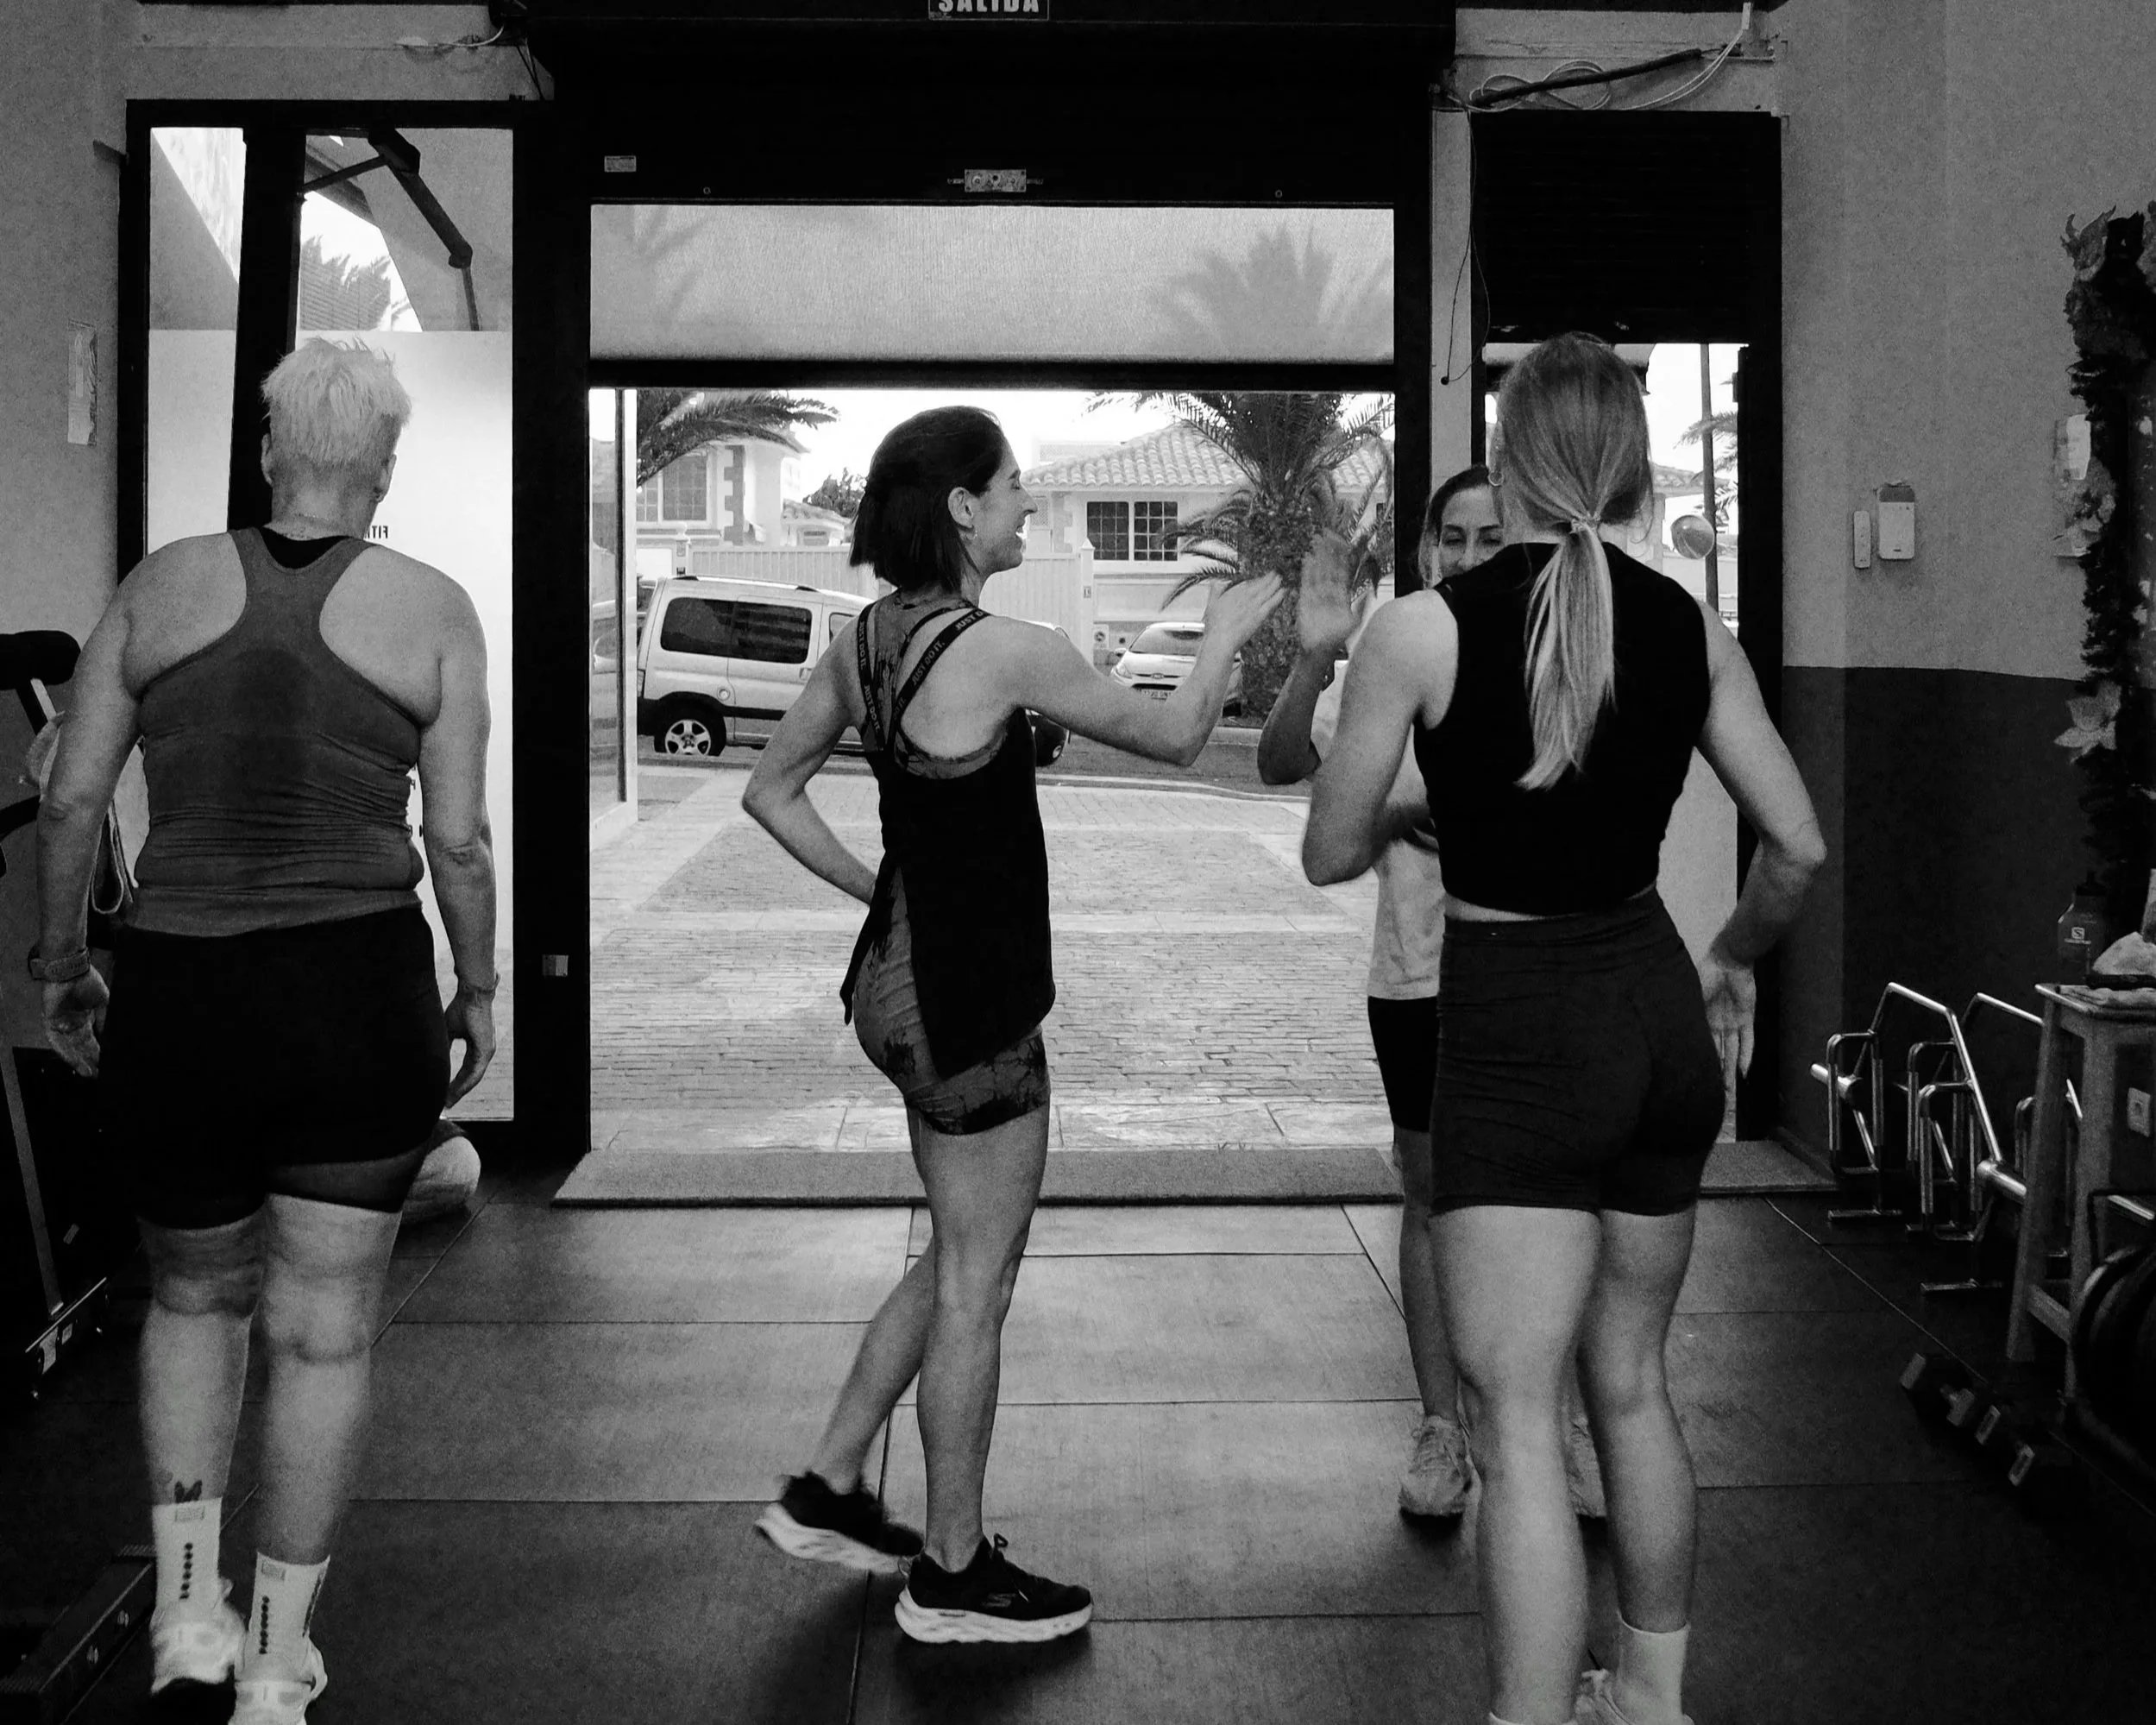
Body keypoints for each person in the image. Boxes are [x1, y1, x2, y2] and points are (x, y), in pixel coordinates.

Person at [1304, 334, 1823, 1725]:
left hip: (1518, 1031)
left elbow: (1328, 845)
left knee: (1516, 1424)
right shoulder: (1685, 623)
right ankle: (1647, 1698)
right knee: (1633, 1385)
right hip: (1655, 1012)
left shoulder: (1422, 626)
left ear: (1513, 451)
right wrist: (1724, 961)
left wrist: (1429, 799)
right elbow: (1795, 848)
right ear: (1626, 462)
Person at [744, 406, 1280, 1644]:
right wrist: (1221, 637)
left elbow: (769, 787)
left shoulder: (867, 641)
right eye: (1010, 486)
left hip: (891, 984)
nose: (1028, 501)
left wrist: (873, 894)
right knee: (979, 1279)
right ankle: (948, 1569)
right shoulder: (1000, 648)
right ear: (961, 511)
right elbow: (1178, 734)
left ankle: (826, 1481)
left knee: (952, 1251)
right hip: (964, 999)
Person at [35, 338, 497, 1725]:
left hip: (182, 990)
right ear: (386, 469)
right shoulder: (429, 604)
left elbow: (70, 802)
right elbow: (459, 838)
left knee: (189, 1299)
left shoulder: (163, 583)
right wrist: (475, 988)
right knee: (319, 1333)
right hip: (352, 996)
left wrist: (63, 962)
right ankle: (279, 1659)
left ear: (266, 450)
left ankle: (187, 1613)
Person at [1258, 466, 1604, 1522]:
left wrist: (1418, 801)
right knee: (1432, 1194)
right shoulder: (1399, 658)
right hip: (1418, 977)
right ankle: (1443, 1427)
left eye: (1490, 535)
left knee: (1561, 1198)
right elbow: (1282, 766)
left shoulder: (1562, 659)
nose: (1467, 555)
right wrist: (1317, 656)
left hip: (1540, 974)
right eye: (1449, 537)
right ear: (1423, 551)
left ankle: (1576, 1430)